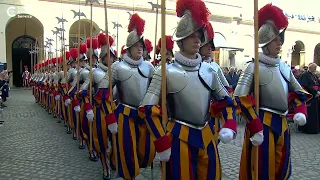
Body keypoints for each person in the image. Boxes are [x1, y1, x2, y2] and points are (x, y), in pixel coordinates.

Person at [139, 0, 237, 178]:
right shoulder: (165, 72)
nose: (198, 39)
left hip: (207, 138)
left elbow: (227, 101)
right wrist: (161, 141)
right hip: (178, 139)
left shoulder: (210, 70)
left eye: (200, 35)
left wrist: (230, 123)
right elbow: (147, 109)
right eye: (193, 35)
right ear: (181, 40)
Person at [234, 4, 311, 180]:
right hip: (262, 124)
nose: (280, 43)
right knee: (261, 170)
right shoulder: (253, 68)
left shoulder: (284, 67)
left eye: (280, 39)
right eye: (276, 39)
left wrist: (300, 110)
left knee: (282, 169)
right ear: (266, 42)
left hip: (283, 124)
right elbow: (240, 97)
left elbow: (298, 92)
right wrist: (254, 124)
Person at [110, 13, 156, 180]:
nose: (139, 48)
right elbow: (107, 94)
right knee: (127, 149)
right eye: (136, 45)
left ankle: (134, 171)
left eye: (141, 45)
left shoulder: (150, 67)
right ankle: (130, 174)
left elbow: (155, 91)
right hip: (125, 114)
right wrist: (110, 118)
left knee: (146, 152)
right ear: (128, 48)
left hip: (144, 115)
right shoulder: (117, 67)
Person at [80, 33, 118, 180]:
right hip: (100, 111)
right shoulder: (95, 73)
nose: (112, 59)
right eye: (109, 56)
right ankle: (105, 166)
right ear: (102, 58)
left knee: (117, 138)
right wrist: (88, 107)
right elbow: (83, 91)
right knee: (101, 140)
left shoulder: (118, 71)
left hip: (115, 110)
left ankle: (114, 159)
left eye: (113, 56)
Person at [299, 63, 320, 134]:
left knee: (315, 113)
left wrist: (318, 91)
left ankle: (315, 128)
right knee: (310, 113)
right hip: (309, 97)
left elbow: (317, 84)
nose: (315, 69)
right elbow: (306, 86)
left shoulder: (314, 75)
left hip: (315, 96)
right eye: (314, 68)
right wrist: (315, 92)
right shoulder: (305, 75)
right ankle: (309, 129)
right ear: (310, 68)